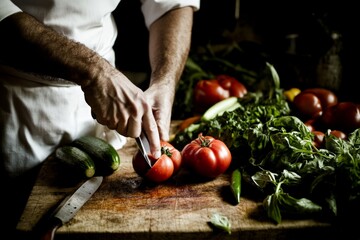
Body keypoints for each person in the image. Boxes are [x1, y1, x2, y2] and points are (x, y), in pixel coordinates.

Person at [0, 0, 200, 235]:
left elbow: (172, 3)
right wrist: (94, 72)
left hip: (107, 100)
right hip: (20, 103)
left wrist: (165, 81)